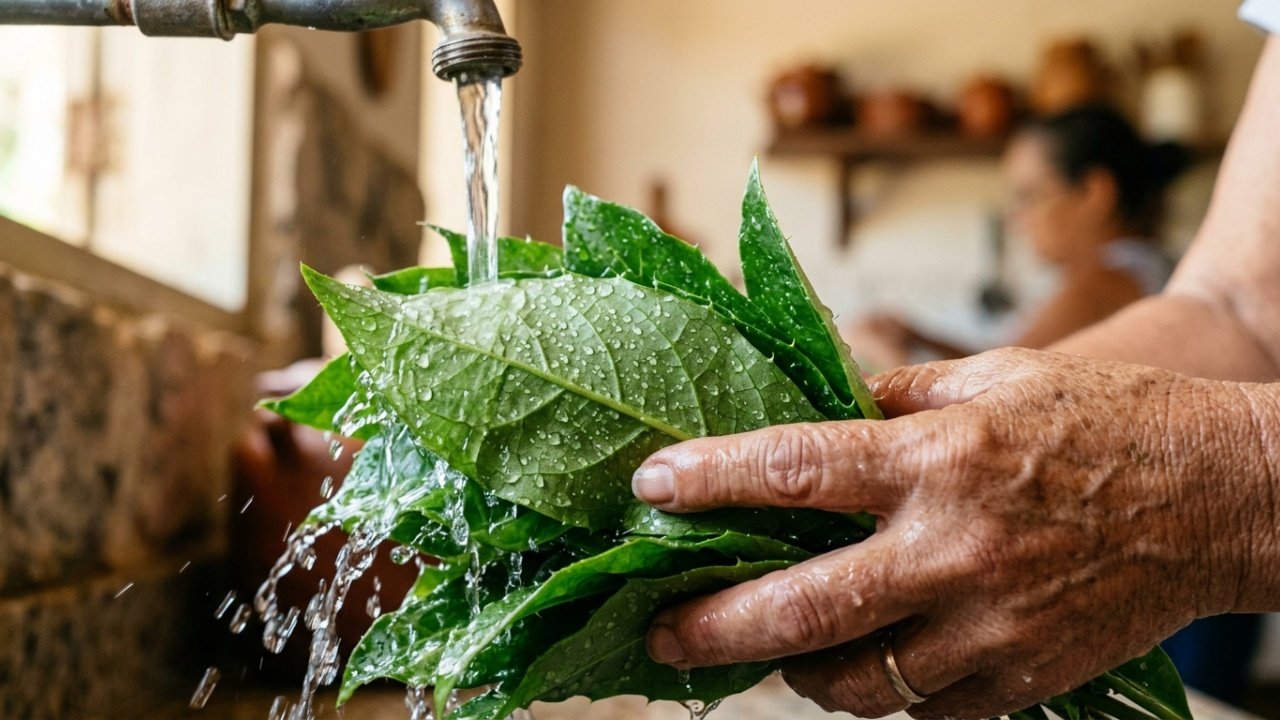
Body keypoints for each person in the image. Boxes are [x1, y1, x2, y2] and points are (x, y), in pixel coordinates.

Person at [631, 19, 1280, 720]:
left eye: (1029, 195)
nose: (1019, 216)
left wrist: (1215, 493)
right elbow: (1239, 308)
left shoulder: (1106, 276)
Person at [855, 104, 1181, 366]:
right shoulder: (1138, 270)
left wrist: (890, 362)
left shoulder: (1104, 285)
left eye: (1029, 195)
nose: (1017, 218)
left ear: (1094, 192)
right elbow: (1008, 364)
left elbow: (994, 387)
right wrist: (922, 339)